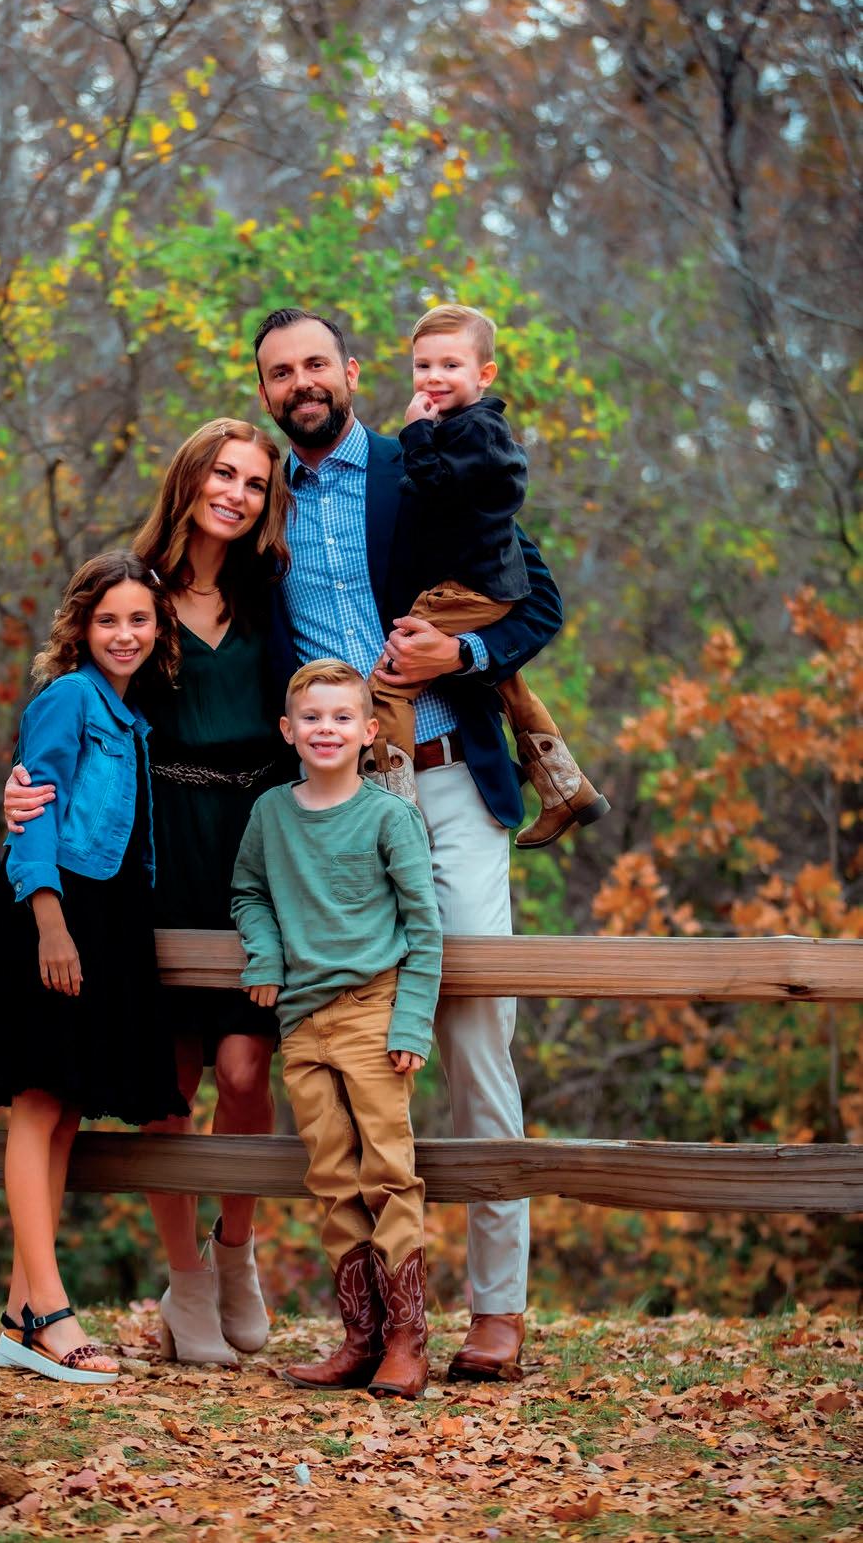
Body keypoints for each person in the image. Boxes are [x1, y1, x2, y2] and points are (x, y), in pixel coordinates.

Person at [253, 306, 563, 1383]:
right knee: (344, 1059)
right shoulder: (260, 503)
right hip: (338, 811)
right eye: (280, 372)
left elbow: (537, 601)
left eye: (316, 363)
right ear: (266, 391)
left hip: (445, 782)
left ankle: (498, 1310)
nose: (301, 382)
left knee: (476, 1035)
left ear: (350, 371)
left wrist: (460, 654)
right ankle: (377, 1322)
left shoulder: (418, 463)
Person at [3, 419, 293, 1368]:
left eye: (255, 481)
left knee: (245, 1070)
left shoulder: (273, 594)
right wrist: (21, 791)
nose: (235, 493)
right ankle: (186, 1281)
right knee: (166, 1083)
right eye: (222, 473)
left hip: (251, 843)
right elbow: (68, 711)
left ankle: (236, 1252)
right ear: (189, 480)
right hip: (153, 848)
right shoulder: (137, 595)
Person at [0, 550, 188, 1386]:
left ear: (158, 627)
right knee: (36, 1104)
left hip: (108, 915)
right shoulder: (67, 698)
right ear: (81, 627)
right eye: (108, 619)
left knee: (63, 1114)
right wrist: (51, 925)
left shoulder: (127, 713)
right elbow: (34, 815)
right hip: (52, 912)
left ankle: (21, 1314)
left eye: (139, 619)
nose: (124, 634)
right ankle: (52, 1313)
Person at [232, 660, 441, 1399]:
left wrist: (412, 1020)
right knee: (329, 1176)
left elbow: (424, 925)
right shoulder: (271, 813)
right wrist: (264, 954)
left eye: (342, 717)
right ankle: (360, 1338)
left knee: (387, 1171)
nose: (327, 729)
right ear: (288, 730)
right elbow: (249, 892)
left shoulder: (389, 817)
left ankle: (407, 1340)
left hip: (373, 1013)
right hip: (301, 1021)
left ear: (369, 731)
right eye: (312, 718)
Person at [364, 302, 609, 847]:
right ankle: (566, 789)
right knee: (504, 678)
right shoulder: (468, 429)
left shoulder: (475, 431)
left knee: (390, 682)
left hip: (469, 588)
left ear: (485, 374)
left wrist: (414, 433)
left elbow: (438, 490)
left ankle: (395, 818)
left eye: (450, 365)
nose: (434, 377)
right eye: (423, 366)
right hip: (487, 583)